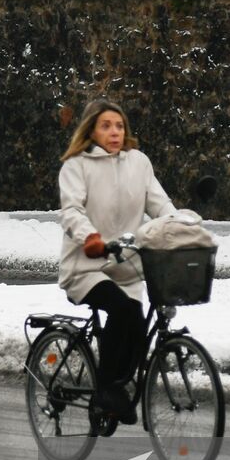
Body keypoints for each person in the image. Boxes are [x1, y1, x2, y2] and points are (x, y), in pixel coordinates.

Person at [58, 98, 176, 425]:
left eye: (119, 126)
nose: (114, 132)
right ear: (91, 131)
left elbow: (160, 203)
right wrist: (90, 238)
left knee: (138, 330)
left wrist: (179, 227)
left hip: (126, 266)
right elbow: (71, 211)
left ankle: (115, 389)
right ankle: (106, 390)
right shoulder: (76, 166)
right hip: (86, 267)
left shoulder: (139, 163)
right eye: (106, 126)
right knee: (123, 310)